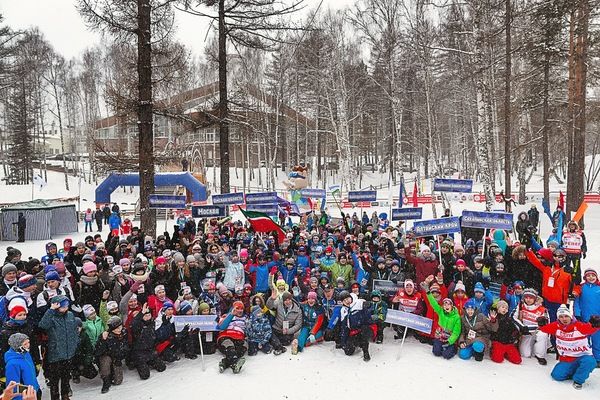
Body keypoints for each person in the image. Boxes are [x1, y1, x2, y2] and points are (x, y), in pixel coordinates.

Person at [539, 304, 600, 390]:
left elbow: (590, 329)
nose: (564, 319)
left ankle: (578, 380)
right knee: (556, 376)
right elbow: (544, 329)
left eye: (566, 316)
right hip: (567, 358)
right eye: (561, 316)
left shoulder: (578, 326)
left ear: (571, 316)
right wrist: (541, 324)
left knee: (590, 362)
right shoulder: (556, 326)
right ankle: (574, 370)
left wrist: (594, 324)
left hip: (582, 356)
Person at [38, 295, 79, 400]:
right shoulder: (51, 316)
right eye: (63, 306)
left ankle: (65, 395)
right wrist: (51, 310)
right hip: (55, 353)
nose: (65, 308)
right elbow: (43, 325)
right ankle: (55, 397)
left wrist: (75, 343)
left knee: (66, 377)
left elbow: (74, 331)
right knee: (55, 380)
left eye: (67, 305)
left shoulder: (70, 315)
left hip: (69, 352)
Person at [95, 316, 129, 393]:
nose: (119, 330)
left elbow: (125, 347)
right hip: (106, 355)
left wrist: (119, 358)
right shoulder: (106, 336)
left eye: (120, 327)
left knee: (118, 381)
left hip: (117, 356)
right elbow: (98, 351)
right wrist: (103, 340)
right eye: (116, 328)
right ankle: (106, 381)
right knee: (105, 362)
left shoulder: (124, 332)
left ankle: (113, 373)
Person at [3, 333, 40, 400]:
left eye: (28, 342)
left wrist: (36, 387)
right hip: (25, 396)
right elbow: (13, 387)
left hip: (33, 392)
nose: (28, 345)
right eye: (25, 344)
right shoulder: (12, 364)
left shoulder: (26, 354)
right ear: (17, 346)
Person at [337, 291, 372, 362]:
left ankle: (365, 351)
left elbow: (369, 307)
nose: (347, 301)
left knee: (364, 332)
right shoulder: (343, 310)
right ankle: (358, 343)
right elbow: (344, 327)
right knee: (348, 351)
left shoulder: (358, 303)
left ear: (350, 297)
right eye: (344, 300)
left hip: (365, 328)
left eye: (347, 299)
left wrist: (367, 306)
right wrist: (343, 342)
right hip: (354, 332)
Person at [216, 300, 248, 373]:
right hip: (226, 335)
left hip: (239, 337)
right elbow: (221, 327)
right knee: (229, 345)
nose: (240, 310)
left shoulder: (245, 318)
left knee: (243, 347)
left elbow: (248, 330)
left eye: (241, 308)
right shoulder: (226, 316)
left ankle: (225, 362)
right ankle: (234, 363)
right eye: (237, 308)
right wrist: (231, 315)